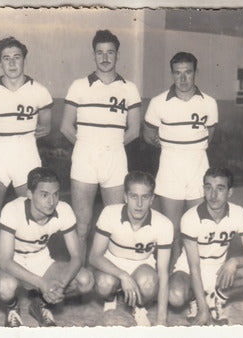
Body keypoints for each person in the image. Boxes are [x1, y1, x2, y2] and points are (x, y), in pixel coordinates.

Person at [60, 30, 141, 259]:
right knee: (82, 227)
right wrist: (89, 145)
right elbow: (66, 126)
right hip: (85, 159)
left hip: (115, 159)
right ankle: (80, 278)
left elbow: (134, 130)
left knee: (114, 223)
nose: (105, 58)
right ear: (93, 55)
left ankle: (109, 279)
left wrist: (110, 145)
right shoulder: (79, 86)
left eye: (110, 53)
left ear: (117, 55)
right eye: (100, 53)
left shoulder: (129, 88)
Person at [0, 37, 53, 249]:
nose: (12, 63)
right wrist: (3, 131)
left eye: (16, 57)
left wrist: (20, 134)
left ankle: (31, 264)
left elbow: (45, 127)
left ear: (24, 59)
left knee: (33, 216)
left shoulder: (40, 91)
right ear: (0, 62)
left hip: (26, 155)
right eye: (6, 58)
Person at [143, 51, 218, 269]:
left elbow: (208, 135)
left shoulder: (210, 103)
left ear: (195, 73)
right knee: (172, 229)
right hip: (170, 169)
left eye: (188, 73)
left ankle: (196, 281)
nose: (183, 79)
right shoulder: (158, 103)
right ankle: (172, 276)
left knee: (197, 226)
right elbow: (148, 134)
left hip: (198, 168)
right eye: (178, 73)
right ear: (172, 74)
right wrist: (170, 145)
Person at [0, 167, 94, 327]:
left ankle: (41, 304)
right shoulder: (12, 210)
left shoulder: (64, 210)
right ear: (30, 194)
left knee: (85, 280)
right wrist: (42, 284)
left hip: (40, 259)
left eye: (55, 194)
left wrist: (60, 286)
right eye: (44, 195)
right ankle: (12, 307)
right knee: (6, 287)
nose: (51, 201)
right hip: (13, 260)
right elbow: (5, 260)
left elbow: (76, 256)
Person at [168, 167, 243, 325]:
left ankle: (217, 298)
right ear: (203, 189)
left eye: (220, 189)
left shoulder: (239, 213)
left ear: (230, 192)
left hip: (218, 269)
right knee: (175, 296)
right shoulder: (191, 218)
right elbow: (194, 266)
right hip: (189, 270)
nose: (213, 195)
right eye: (208, 188)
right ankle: (196, 301)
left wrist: (234, 262)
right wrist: (203, 310)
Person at [89, 171, 174, 326]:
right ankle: (111, 298)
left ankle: (139, 307)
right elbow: (94, 256)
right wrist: (123, 276)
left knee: (149, 283)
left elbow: (163, 273)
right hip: (112, 263)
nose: (139, 204)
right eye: (134, 196)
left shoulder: (164, 224)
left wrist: (162, 322)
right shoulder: (110, 213)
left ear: (152, 199)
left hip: (141, 266)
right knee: (104, 284)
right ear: (125, 197)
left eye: (145, 197)